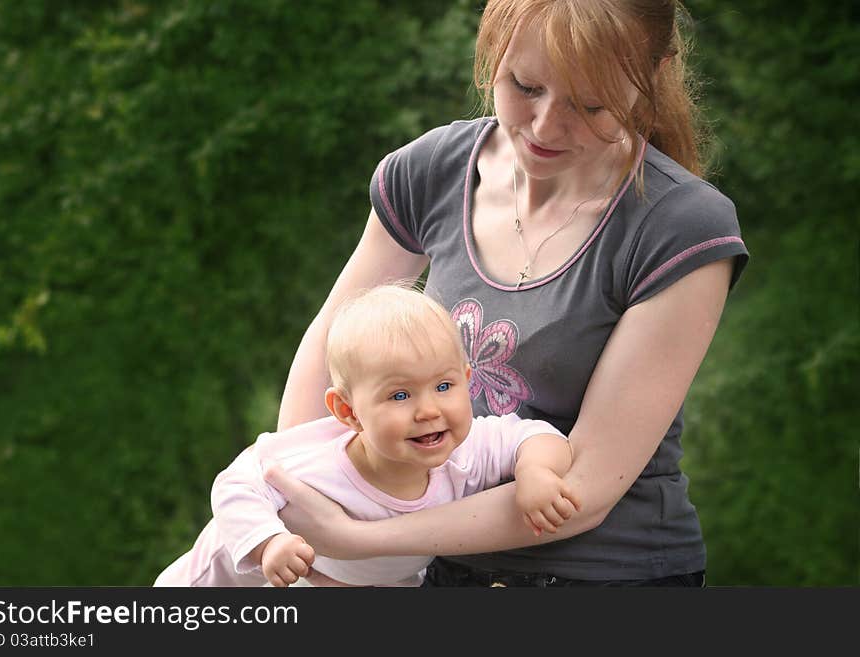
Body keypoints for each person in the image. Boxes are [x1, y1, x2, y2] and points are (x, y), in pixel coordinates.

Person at [265, 0, 750, 587]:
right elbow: (332, 348)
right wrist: (294, 503)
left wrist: (358, 539)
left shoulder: (682, 227)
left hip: (604, 576)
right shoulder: (432, 170)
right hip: (435, 573)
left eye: (589, 104)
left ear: (651, 75)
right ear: (492, 52)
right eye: (525, 86)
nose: (545, 126)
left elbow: (585, 487)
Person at [154, 285, 576, 587]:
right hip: (227, 578)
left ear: (467, 381)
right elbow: (236, 484)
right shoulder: (315, 465)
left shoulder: (467, 450)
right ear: (349, 412)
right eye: (399, 394)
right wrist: (269, 543)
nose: (428, 409)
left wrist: (536, 472)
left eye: (444, 386)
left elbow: (533, 434)